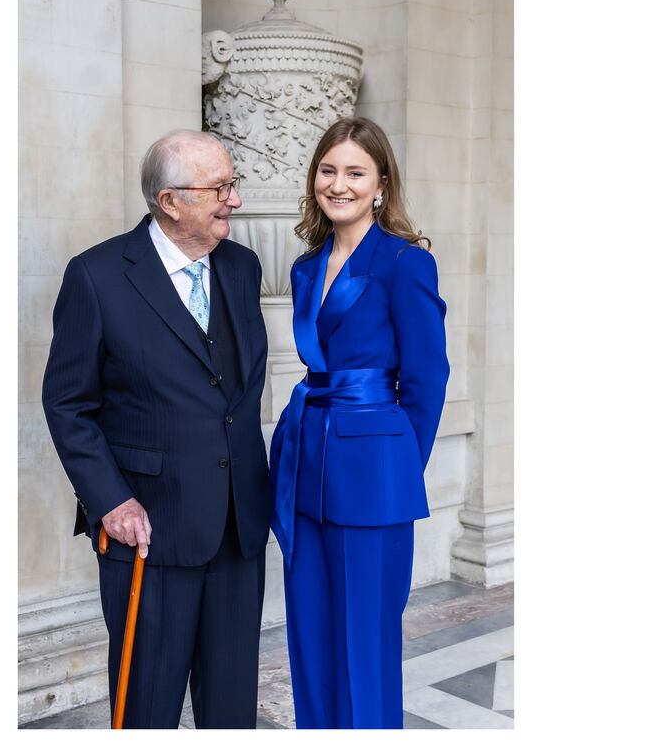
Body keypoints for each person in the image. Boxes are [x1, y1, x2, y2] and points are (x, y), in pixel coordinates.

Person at [41, 130, 271, 729]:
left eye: (232, 185)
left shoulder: (243, 268)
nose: (234, 201)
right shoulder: (97, 276)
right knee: (146, 706)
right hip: (149, 530)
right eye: (220, 189)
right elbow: (67, 403)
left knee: (231, 711)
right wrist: (109, 499)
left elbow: (234, 397)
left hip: (237, 528)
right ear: (170, 202)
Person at [269, 117, 450, 729]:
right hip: (305, 466)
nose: (338, 184)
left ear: (380, 184)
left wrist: (395, 467)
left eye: (354, 172)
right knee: (311, 634)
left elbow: (427, 381)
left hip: (373, 477)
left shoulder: (405, 264)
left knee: (366, 645)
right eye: (327, 170)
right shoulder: (304, 266)